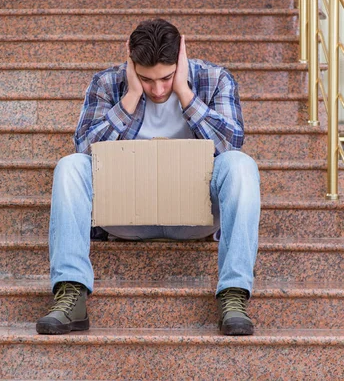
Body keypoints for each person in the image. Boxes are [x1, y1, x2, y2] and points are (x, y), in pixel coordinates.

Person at [36, 18, 260, 336]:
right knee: (70, 166)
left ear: (180, 61)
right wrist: (129, 98)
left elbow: (231, 145)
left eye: (166, 78)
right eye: (146, 79)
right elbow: (85, 149)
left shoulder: (214, 78)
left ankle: (233, 295)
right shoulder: (107, 83)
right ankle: (72, 295)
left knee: (241, 164)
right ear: (131, 61)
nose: (157, 89)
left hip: (195, 215)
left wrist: (184, 93)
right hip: (126, 215)